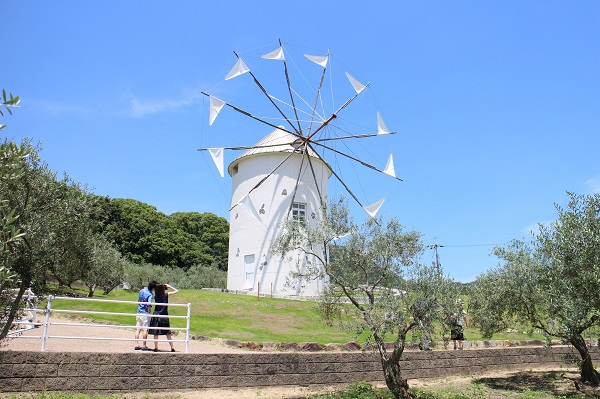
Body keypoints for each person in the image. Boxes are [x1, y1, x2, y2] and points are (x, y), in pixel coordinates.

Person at [148, 283, 179, 352]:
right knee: (168, 333)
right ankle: (172, 347)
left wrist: (161, 287)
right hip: (164, 315)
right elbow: (176, 291)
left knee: (156, 333)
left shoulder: (155, 296)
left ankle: (156, 347)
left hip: (156, 315)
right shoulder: (166, 295)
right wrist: (169, 286)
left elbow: (156, 290)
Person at [134, 280, 157, 351]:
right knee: (145, 329)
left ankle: (136, 344)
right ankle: (144, 345)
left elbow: (138, 300)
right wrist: (149, 309)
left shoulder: (142, 290)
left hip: (139, 311)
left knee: (138, 328)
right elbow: (149, 304)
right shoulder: (150, 294)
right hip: (145, 313)